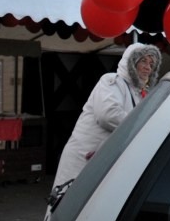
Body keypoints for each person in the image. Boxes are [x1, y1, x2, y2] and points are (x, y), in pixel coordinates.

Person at [54, 43, 162, 187]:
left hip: (103, 160)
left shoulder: (139, 94)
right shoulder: (112, 81)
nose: (148, 67)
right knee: (68, 203)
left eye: (151, 63)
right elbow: (109, 115)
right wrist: (143, 127)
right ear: (131, 62)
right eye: (143, 61)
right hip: (85, 157)